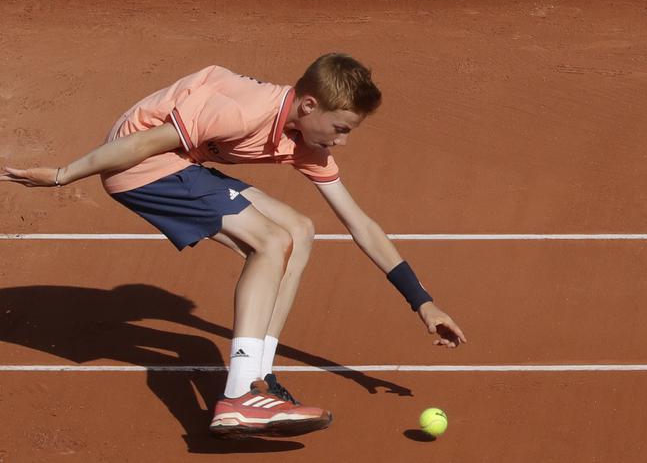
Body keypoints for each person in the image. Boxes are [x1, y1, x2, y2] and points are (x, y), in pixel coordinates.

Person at [1, 53, 467, 436]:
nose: (342, 142)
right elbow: (144, 144)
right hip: (139, 162)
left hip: (182, 162)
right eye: (341, 128)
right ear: (308, 106)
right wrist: (64, 175)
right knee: (270, 240)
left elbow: (360, 224)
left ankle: (258, 378)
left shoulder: (304, 139)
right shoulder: (243, 112)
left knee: (300, 230)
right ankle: (241, 395)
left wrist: (423, 303)